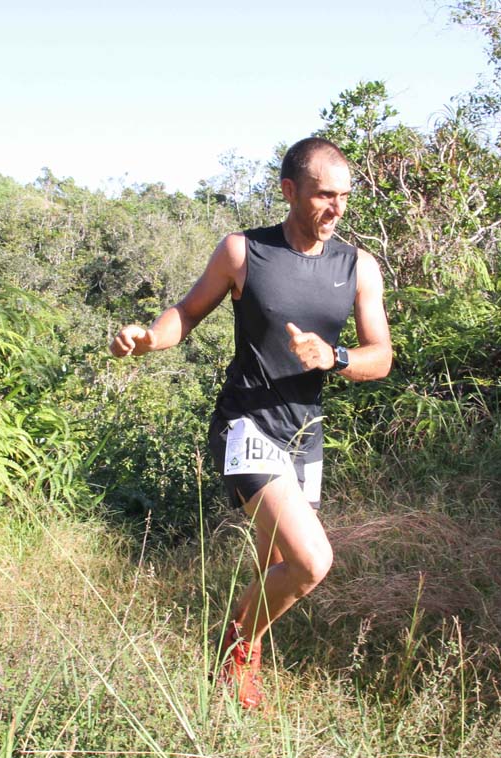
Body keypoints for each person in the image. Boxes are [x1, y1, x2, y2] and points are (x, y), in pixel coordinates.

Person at [109, 138, 393, 709]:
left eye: (343, 197)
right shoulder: (244, 252)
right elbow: (186, 313)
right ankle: (233, 650)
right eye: (323, 196)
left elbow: (380, 354)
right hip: (246, 426)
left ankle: (242, 662)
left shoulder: (357, 267)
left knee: (275, 567)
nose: (336, 209)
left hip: (303, 432)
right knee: (312, 562)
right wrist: (149, 339)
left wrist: (333, 359)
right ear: (289, 192)